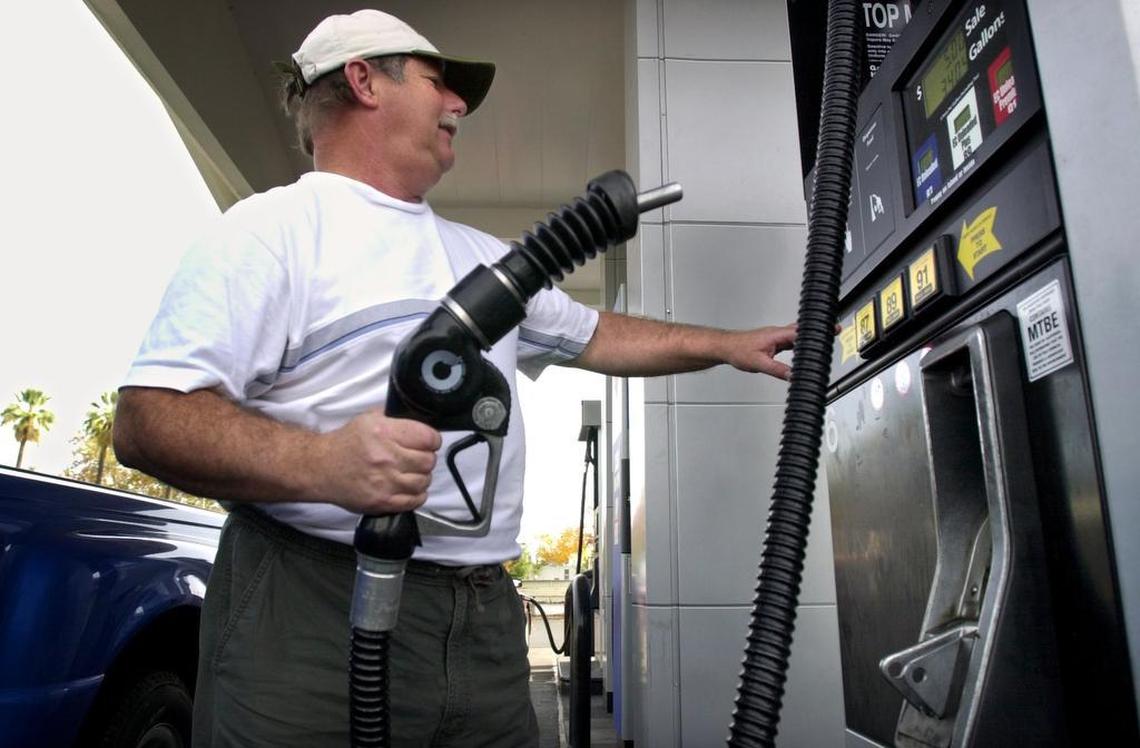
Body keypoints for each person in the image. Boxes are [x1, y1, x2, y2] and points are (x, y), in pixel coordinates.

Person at [113, 9, 797, 748]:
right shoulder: (271, 233)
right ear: (364, 79)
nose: (459, 106)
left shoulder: (484, 260)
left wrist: (729, 345)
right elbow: (148, 420)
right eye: (441, 82)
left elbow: (600, 335)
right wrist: (322, 463)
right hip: (310, 609)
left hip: (482, 623)